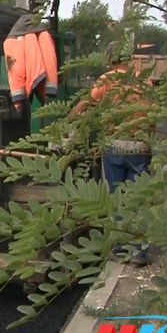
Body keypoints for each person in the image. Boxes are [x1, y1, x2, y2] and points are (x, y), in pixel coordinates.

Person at [69, 41, 152, 266]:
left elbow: (86, 103)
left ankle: (119, 249)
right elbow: (153, 115)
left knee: (116, 199)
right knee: (137, 199)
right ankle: (139, 252)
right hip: (140, 147)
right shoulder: (144, 80)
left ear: (110, 59)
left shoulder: (107, 81)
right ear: (129, 58)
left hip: (115, 147)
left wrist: (68, 120)